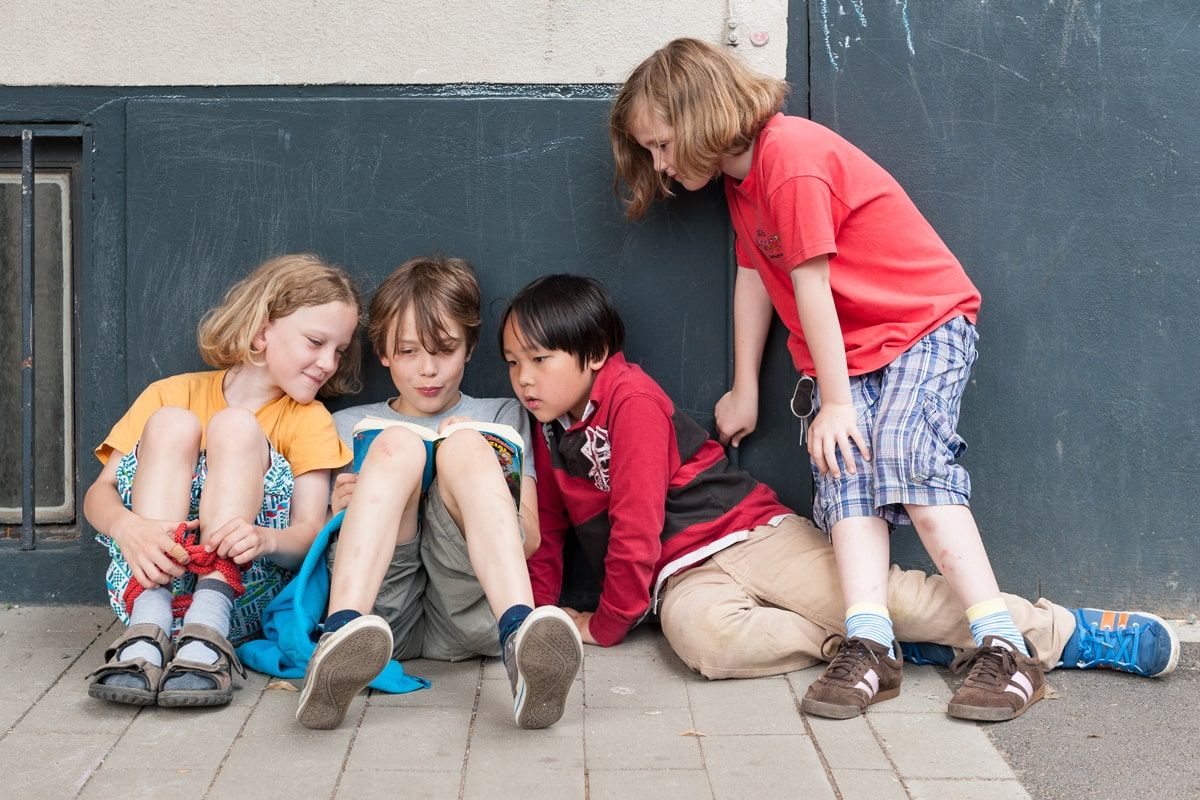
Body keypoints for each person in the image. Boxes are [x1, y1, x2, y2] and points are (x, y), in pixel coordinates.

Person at [500, 274, 1179, 722]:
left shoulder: (630, 398)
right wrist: (534, 613)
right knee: (706, 645)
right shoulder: (545, 425)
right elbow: (552, 529)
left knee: (898, 597)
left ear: (592, 354)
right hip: (682, 580)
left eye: (540, 361)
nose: (524, 380)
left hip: (748, 535)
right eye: (512, 364)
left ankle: (1071, 632)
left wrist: (609, 623)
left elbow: (639, 524)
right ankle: (889, 646)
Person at [296, 255, 582, 732]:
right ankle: (339, 634)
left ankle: (519, 635)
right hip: (382, 622)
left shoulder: (503, 415)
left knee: (466, 443)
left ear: (469, 348)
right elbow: (313, 541)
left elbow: (529, 539)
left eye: (444, 349)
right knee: (393, 444)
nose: (427, 370)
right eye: (407, 352)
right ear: (383, 353)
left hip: (472, 612)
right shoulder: (345, 425)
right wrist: (340, 512)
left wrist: (480, 469)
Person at [84, 253, 362, 707]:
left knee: (234, 427)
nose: (329, 362)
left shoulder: (308, 420)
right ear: (260, 331)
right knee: (173, 423)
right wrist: (128, 529)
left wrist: (264, 540)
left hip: (238, 595)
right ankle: (146, 630)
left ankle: (206, 633)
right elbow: (99, 494)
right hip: (144, 581)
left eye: (340, 350)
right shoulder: (169, 393)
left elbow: (310, 533)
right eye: (315, 342)